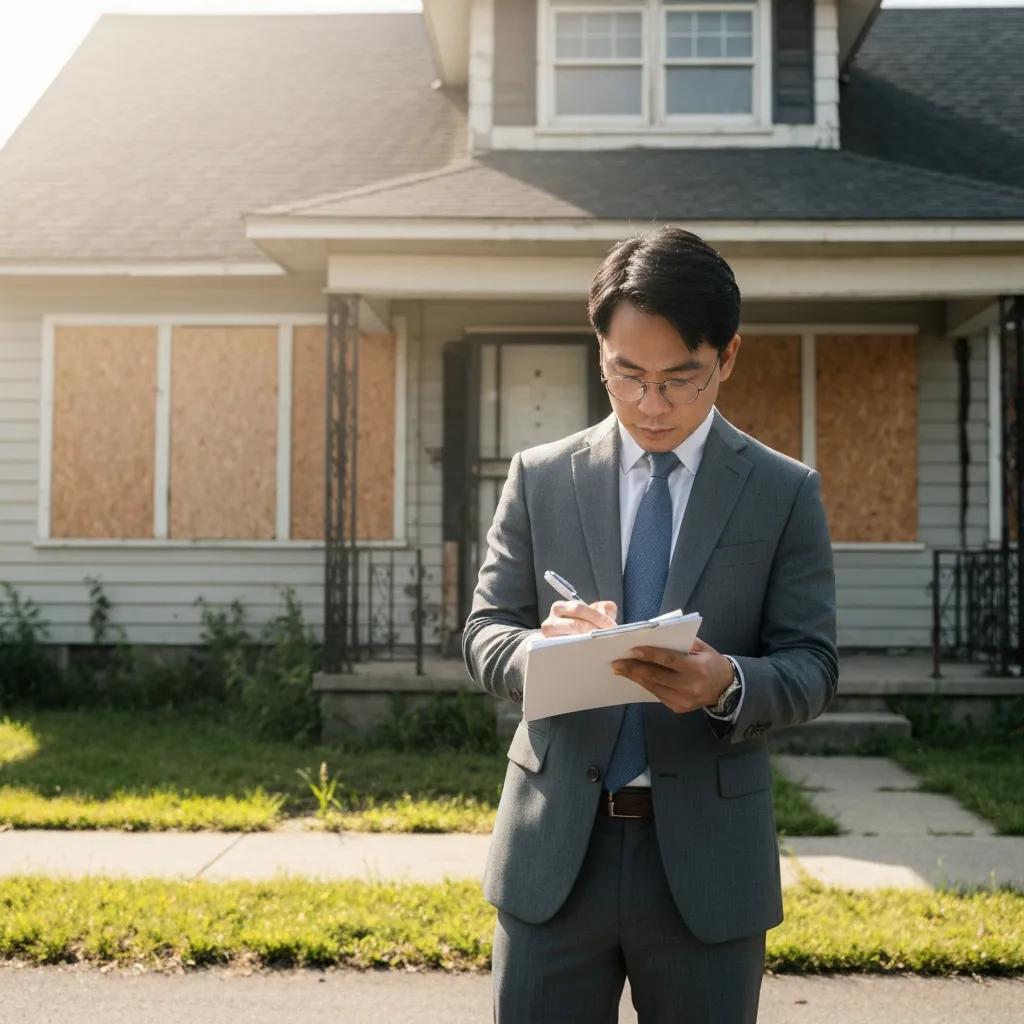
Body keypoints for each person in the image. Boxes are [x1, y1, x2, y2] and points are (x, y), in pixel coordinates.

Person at [462, 225, 838, 1023]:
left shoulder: (783, 492)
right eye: (626, 375)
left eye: (680, 379)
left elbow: (812, 664)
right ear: (599, 351)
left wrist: (727, 682)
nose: (651, 404)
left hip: (707, 866)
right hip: (556, 851)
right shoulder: (539, 478)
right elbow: (484, 632)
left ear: (727, 357)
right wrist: (540, 647)